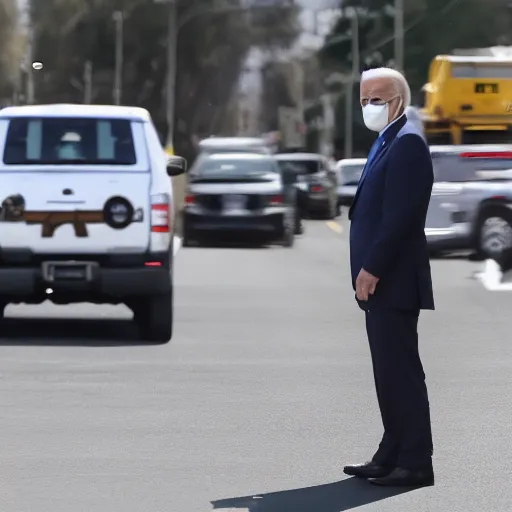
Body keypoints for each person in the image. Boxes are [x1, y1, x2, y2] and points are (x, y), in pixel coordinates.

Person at [343, 67, 435, 487]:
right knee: (387, 372)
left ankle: (415, 460)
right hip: (380, 282)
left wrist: (372, 267)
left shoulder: (409, 142)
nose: (368, 106)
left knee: (401, 372)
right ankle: (391, 451)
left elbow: (401, 217)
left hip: (391, 280)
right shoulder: (388, 140)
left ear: (398, 99)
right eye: (363, 100)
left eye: (376, 99)